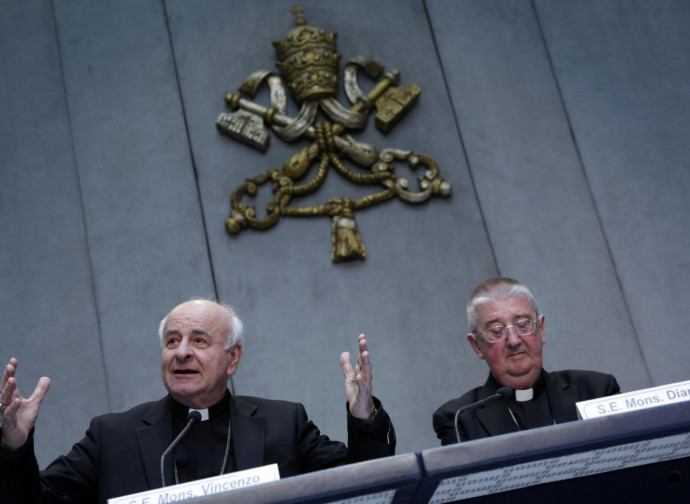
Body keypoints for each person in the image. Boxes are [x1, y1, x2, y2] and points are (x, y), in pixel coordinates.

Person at [0, 299, 395, 503]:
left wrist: (364, 417)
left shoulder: (282, 423)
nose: (181, 352)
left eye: (199, 340)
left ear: (233, 358)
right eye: (172, 341)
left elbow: (368, 489)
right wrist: (13, 449)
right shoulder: (112, 436)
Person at [433, 277, 620, 444]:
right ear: (476, 346)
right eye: (496, 331)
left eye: (523, 325)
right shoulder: (460, 417)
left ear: (541, 330)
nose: (514, 340)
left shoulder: (596, 391)